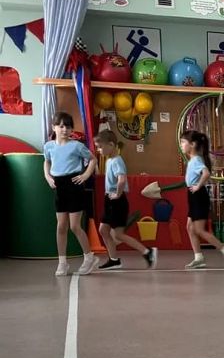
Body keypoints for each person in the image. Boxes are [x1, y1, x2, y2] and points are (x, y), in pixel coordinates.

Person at [43, 112, 99, 276]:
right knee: (61, 226)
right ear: (54, 127)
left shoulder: (76, 146)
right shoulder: (49, 146)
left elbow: (93, 159)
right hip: (59, 185)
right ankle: (62, 262)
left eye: (68, 126)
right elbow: (47, 161)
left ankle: (89, 257)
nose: (64, 129)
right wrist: (48, 177)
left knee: (75, 226)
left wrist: (85, 175)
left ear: (71, 129)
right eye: (61, 126)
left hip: (74, 185)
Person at [93, 130, 157, 270]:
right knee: (104, 230)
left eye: (100, 147)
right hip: (110, 200)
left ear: (111, 145)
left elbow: (121, 180)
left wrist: (117, 194)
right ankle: (114, 259)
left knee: (118, 234)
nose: (98, 150)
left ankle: (147, 252)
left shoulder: (117, 161)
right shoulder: (109, 160)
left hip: (117, 201)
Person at [180, 130, 224, 269]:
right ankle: (198, 258)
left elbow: (206, 173)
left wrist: (198, 186)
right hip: (193, 195)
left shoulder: (196, 160)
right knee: (190, 227)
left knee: (199, 230)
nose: (181, 145)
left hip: (198, 196)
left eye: (183, 142)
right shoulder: (193, 160)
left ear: (192, 144)